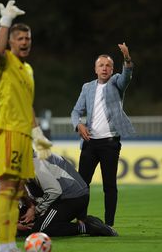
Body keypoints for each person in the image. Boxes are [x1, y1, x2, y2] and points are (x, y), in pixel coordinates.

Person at [0, 0, 52, 252]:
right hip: (8, 130)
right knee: (7, 188)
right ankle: (5, 246)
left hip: (24, 135)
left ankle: (10, 245)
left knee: (17, 191)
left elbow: (28, 105)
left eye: (28, 38)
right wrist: (5, 22)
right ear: (12, 42)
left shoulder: (28, 69)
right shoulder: (4, 60)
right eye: (21, 39)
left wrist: (37, 133)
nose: (25, 42)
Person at [71, 43, 135, 227]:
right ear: (95, 69)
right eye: (101, 65)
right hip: (89, 143)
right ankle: (81, 220)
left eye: (108, 65)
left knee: (109, 186)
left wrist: (127, 58)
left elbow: (127, 76)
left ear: (113, 69)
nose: (104, 68)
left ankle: (109, 224)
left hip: (109, 143)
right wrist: (78, 124)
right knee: (81, 186)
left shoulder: (116, 82)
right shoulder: (87, 87)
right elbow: (76, 111)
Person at [20, 153, 118, 237]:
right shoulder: (36, 157)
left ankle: (86, 227)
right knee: (26, 223)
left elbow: (54, 191)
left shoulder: (35, 163)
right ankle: (88, 221)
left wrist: (36, 211)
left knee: (41, 228)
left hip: (71, 198)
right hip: (71, 196)